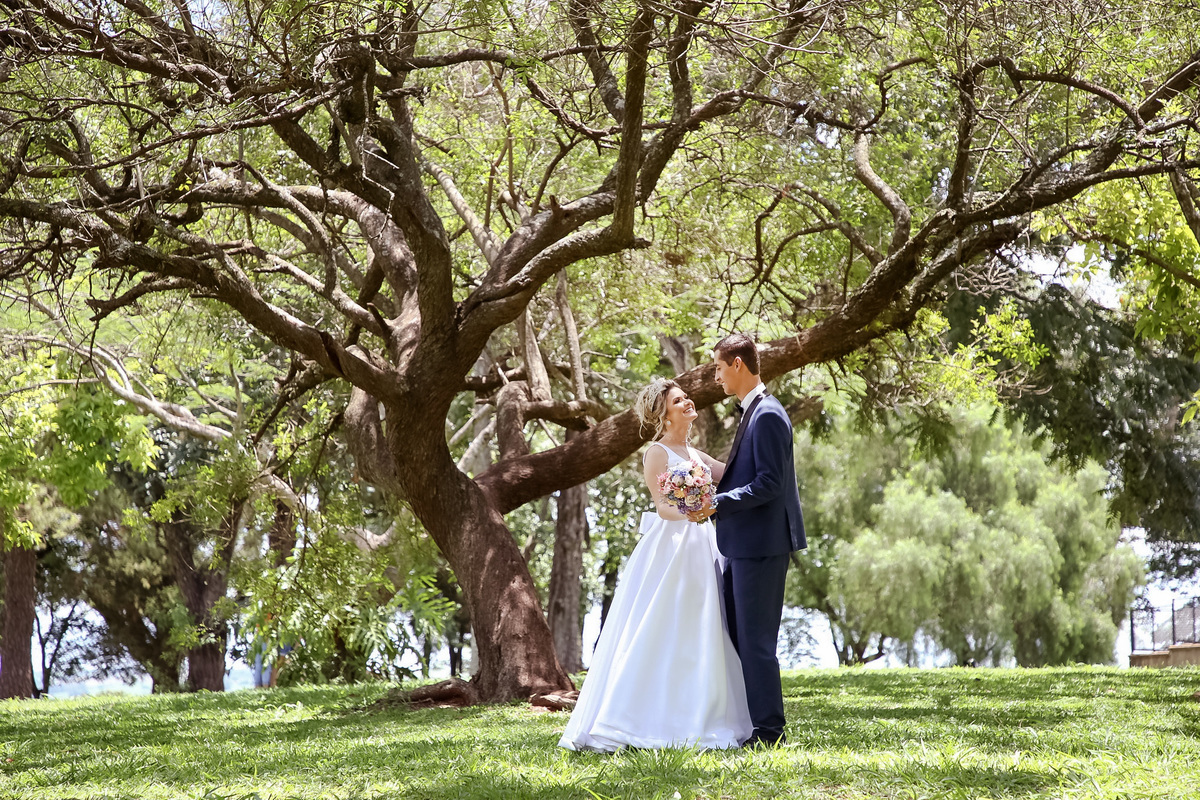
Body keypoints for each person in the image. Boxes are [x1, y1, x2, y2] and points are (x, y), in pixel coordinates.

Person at [559, 378, 752, 752]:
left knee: (705, 623)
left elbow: (731, 474)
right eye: (679, 400)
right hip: (673, 547)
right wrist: (692, 509)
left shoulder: (696, 455)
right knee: (667, 624)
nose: (688, 402)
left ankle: (708, 712)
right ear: (664, 415)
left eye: (685, 397)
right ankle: (640, 720)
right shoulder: (657, 453)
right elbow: (662, 506)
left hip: (702, 543)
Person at [689, 333, 805, 748]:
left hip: (761, 545)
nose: (717, 377)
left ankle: (770, 732)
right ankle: (750, 724)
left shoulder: (768, 414)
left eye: (719, 368)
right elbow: (746, 475)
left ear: (737, 364)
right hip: (742, 545)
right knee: (738, 637)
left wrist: (716, 505)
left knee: (755, 643)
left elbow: (770, 485)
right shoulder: (753, 412)